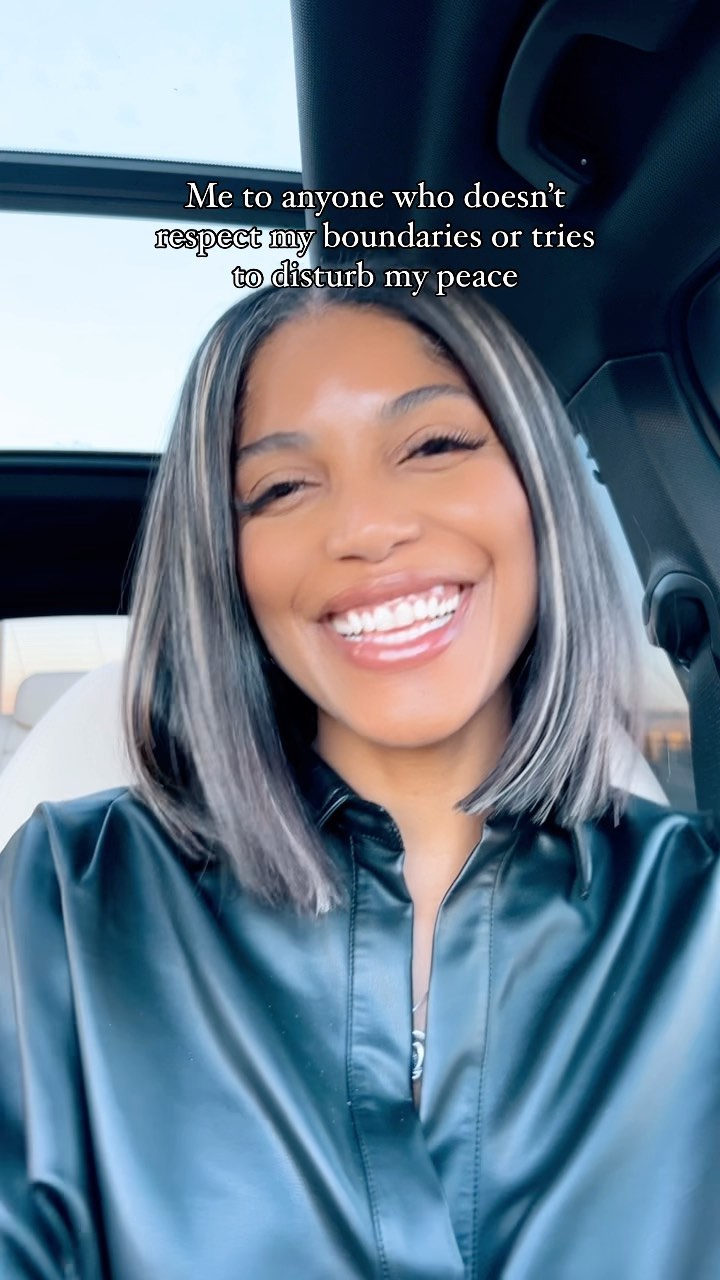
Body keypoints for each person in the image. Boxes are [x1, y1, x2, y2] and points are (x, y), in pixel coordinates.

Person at [0, 277, 718, 1280]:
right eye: (282, 488)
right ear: (226, 559)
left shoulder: (700, 916)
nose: (369, 528)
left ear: (536, 483)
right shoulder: (71, 902)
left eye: (433, 445)